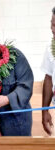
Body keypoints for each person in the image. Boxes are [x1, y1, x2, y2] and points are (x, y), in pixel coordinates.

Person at [41, 7, 55, 136]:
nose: (52, 29)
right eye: (52, 24)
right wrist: (45, 110)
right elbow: (49, 78)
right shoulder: (51, 48)